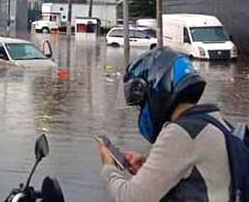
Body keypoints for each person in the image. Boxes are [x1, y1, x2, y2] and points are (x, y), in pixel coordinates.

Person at [97, 48, 231, 201]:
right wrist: (148, 166)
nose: (142, 110)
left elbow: (129, 198)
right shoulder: (215, 122)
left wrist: (108, 168)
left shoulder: (180, 133)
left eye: (141, 105)